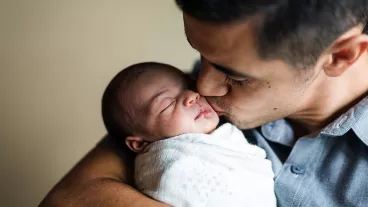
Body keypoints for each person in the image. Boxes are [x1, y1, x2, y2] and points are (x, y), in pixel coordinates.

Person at [40, 0, 368, 206]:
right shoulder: (186, 102)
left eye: (235, 76)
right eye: (201, 56)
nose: (203, 85)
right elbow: (68, 199)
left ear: (341, 56)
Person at [101, 62, 276, 207]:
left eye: (190, 86)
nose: (193, 96)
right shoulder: (170, 166)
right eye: (167, 105)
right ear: (139, 143)